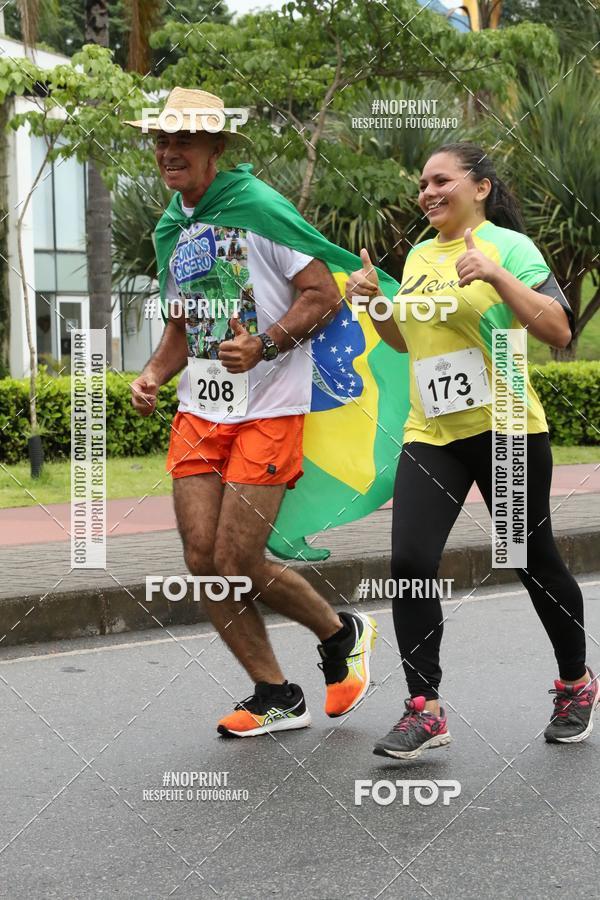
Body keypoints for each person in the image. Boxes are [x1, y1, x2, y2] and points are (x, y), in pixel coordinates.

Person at [128, 87, 376, 738]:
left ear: (216, 148)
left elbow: (323, 295)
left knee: (238, 559)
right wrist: (154, 373)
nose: (168, 151)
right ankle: (275, 692)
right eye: (160, 139)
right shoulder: (171, 229)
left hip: (270, 407)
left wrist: (265, 344)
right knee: (201, 559)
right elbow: (183, 325)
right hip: (201, 411)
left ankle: (339, 631)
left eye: (183, 139)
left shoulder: (260, 209)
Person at [346, 141, 598, 759]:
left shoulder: (510, 247)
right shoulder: (418, 258)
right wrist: (372, 300)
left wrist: (496, 274)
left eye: (440, 180)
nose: (427, 192)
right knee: (409, 562)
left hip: (507, 425)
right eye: (422, 184)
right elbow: (403, 343)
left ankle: (575, 684)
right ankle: (424, 709)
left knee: (530, 558)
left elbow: (560, 328)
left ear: (479, 187)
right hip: (433, 434)